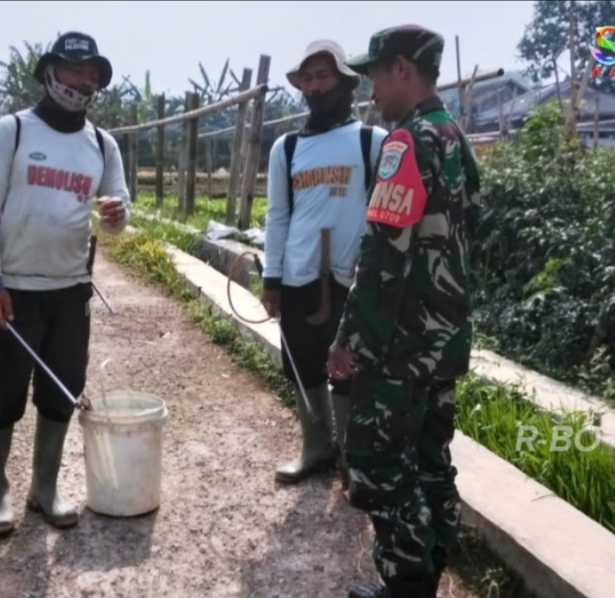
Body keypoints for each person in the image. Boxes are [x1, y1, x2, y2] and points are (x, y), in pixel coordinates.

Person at [327, 25, 482, 598]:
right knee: (431, 463)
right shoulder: (454, 135)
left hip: (399, 345)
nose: (368, 84)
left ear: (400, 70)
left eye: (373, 71)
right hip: (444, 341)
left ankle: (406, 586)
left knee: (378, 466)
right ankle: (427, 577)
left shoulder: (406, 142)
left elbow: (382, 258)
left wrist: (349, 342)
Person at [0, 30, 131, 537]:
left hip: (70, 289)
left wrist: (115, 216)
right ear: (49, 72)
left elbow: (118, 214)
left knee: (62, 390)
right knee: (2, 396)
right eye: (73, 69)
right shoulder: (12, 131)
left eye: (91, 75)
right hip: (13, 290)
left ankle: (44, 487)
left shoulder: (101, 145)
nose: (82, 81)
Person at [260, 40, 388, 485]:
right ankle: (316, 448)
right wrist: (271, 278)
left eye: (324, 77)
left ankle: (353, 459)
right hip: (299, 277)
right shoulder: (288, 148)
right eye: (307, 79)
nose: (314, 87)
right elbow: (277, 216)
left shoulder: (373, 143)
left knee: (351, 367)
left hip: (350, 280)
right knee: (303, 363)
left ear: (346, 84)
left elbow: (387, 219)